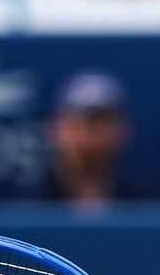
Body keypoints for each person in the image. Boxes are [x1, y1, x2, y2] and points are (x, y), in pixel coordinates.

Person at [43, 72, 134, 208]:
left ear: (123, 130)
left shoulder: (142, 206)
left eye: (101, 120)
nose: (87, 131)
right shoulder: (25, 203)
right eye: (75, 122)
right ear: (54, 129)